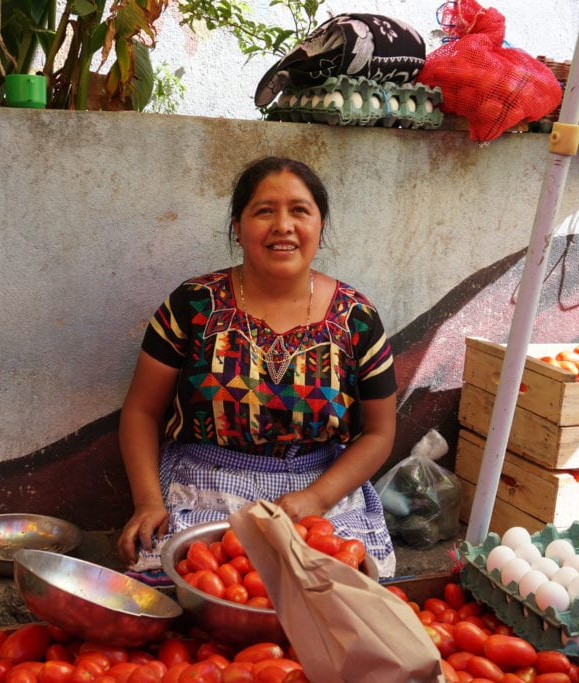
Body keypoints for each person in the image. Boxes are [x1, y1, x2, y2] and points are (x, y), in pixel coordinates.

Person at [117, 156, 398, 578]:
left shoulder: (356, 318)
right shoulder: (193, 305)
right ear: (238, 226)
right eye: (264, 210)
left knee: (336, 597)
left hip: (321, 491)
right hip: (204, 484)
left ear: (320, 225)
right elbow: (142, 411)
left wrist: (315, 500)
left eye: (299, 210)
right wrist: (147, 503)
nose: (283, 225)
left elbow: (379, 433)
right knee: (193, 588)